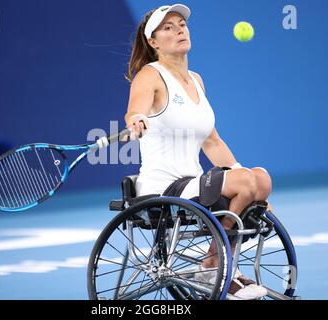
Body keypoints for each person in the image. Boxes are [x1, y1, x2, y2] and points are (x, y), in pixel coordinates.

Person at [124, 4, 271, 300]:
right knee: (246, 181)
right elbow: (134, 111)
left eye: (182, 24)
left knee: (261, 179)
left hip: (194, 182)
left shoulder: (197, 81)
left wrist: (251, 184)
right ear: (153, 41)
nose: (179, 30)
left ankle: (216, 261)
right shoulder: (149, 75)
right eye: (168, 27)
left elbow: (212, 142)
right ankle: (217, 265)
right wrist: (136, 120)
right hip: (163, 186)